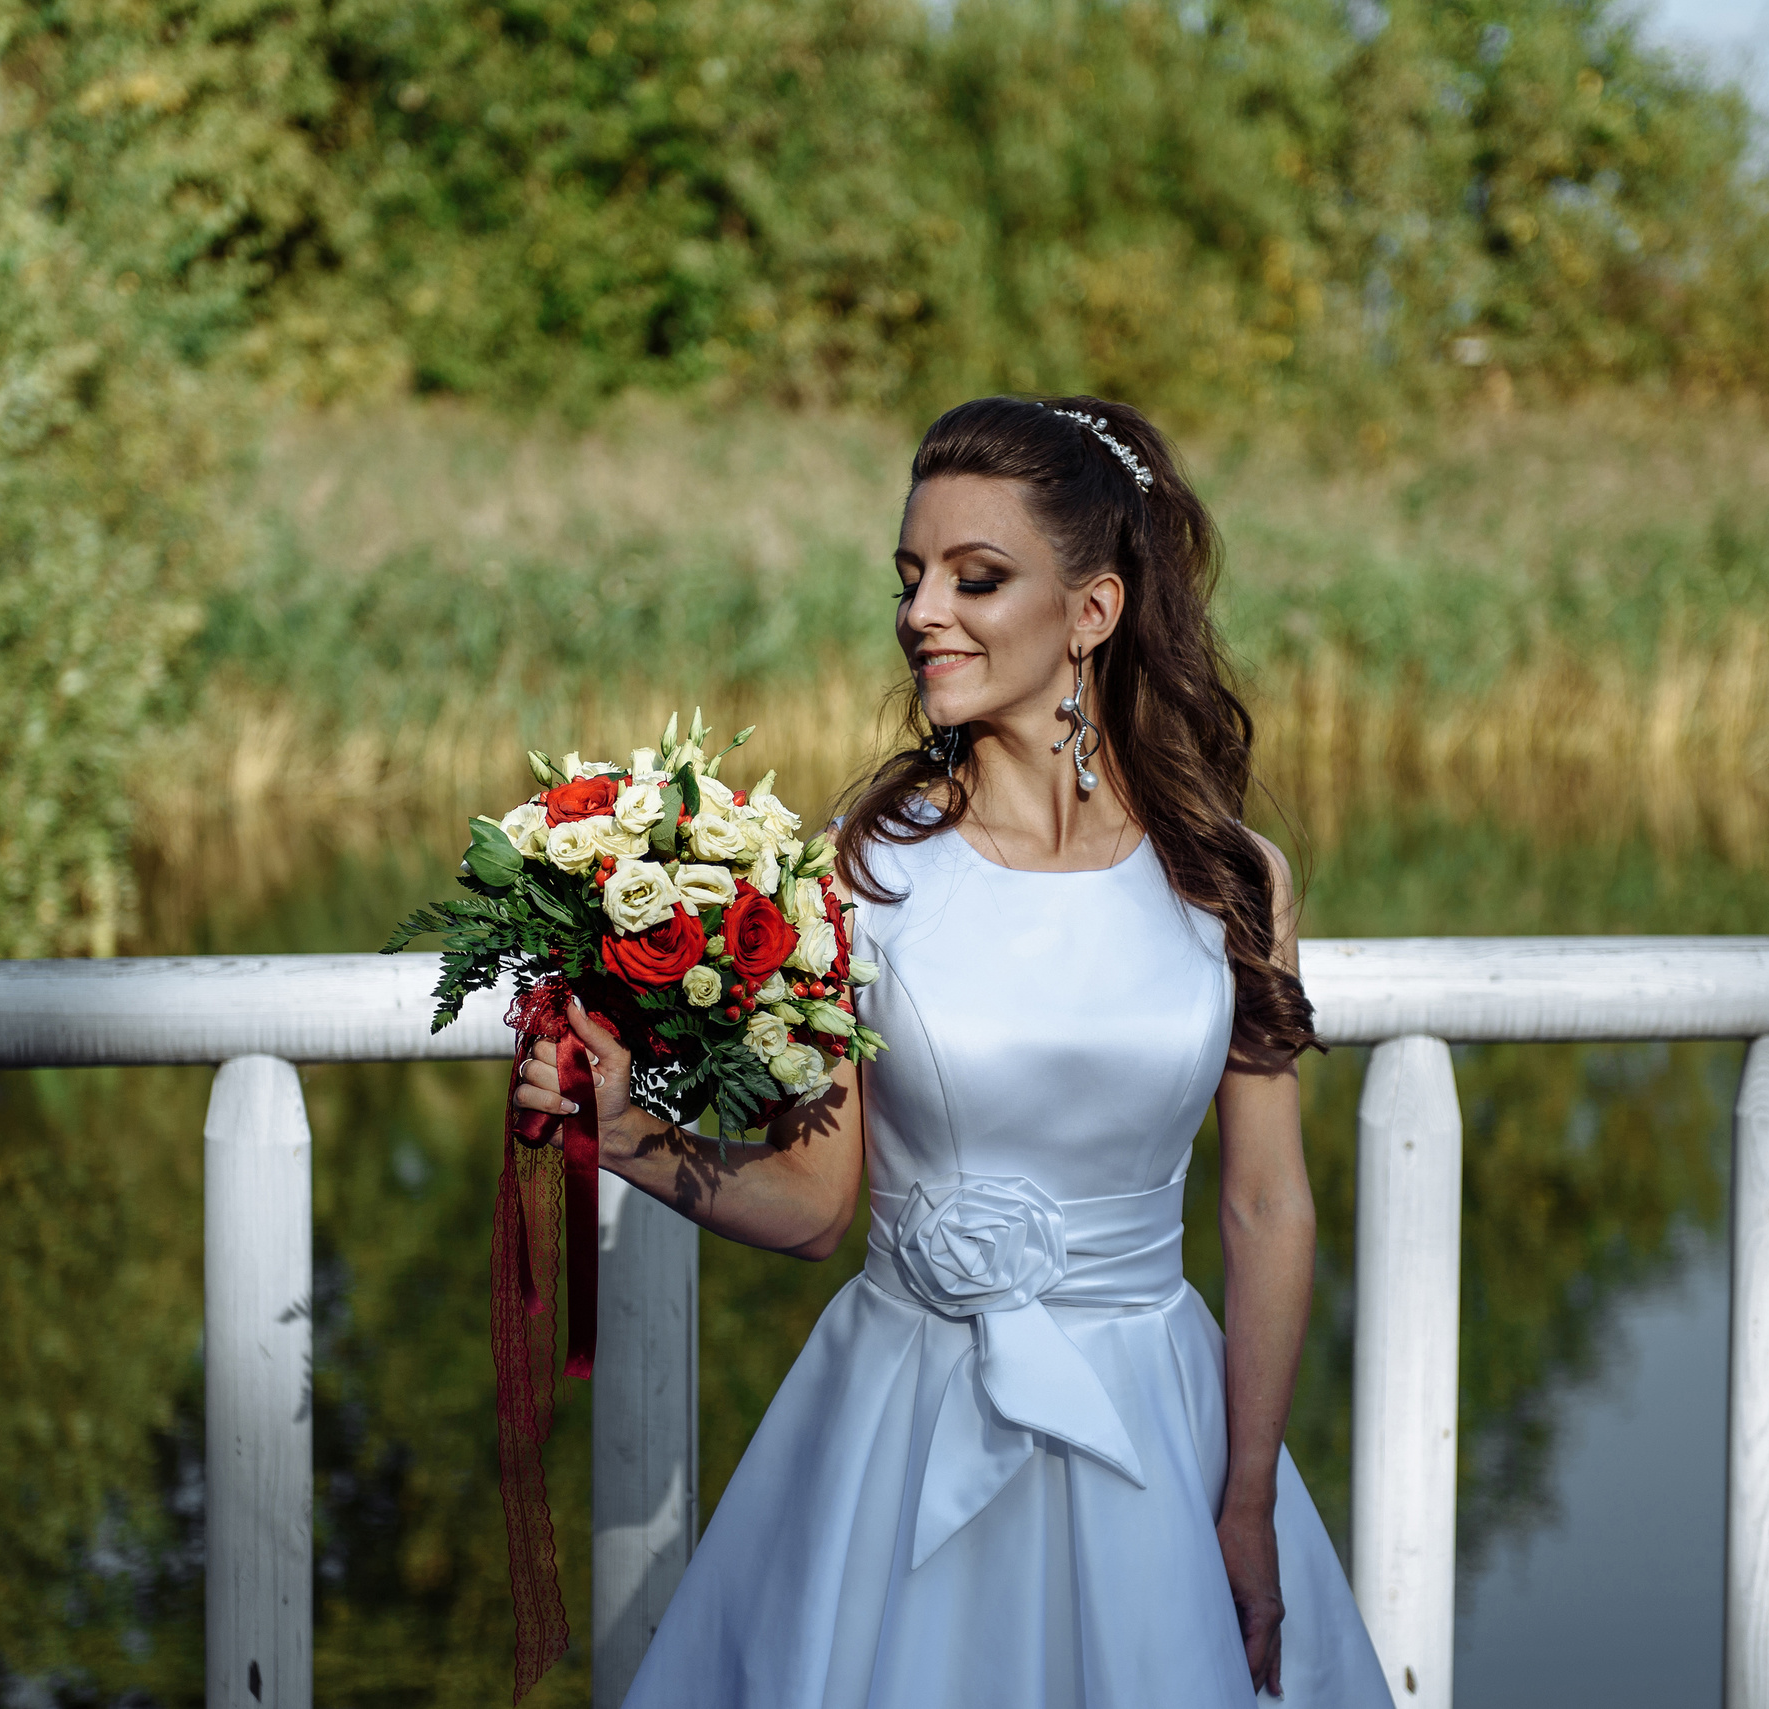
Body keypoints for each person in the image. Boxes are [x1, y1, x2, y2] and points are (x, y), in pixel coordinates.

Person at [514, 395, 1392, 1707]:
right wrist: (624, 1129)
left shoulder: (1229, 880)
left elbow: (1268, 1203)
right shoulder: (861, 868)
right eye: (911, 576)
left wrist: (1248, 1499)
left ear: (1091, 612)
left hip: (1156, 1432)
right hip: (903, 1419)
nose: (924, 609)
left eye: (976, 578)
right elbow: (816, 1205)